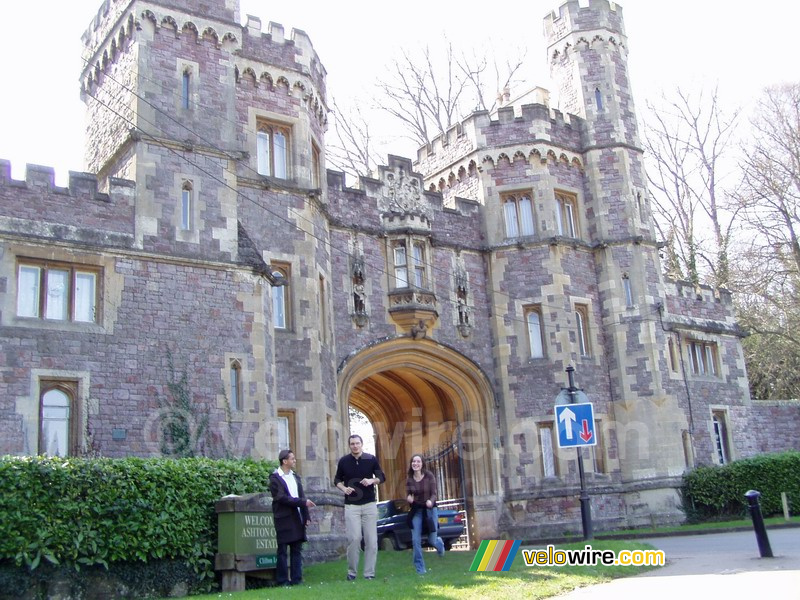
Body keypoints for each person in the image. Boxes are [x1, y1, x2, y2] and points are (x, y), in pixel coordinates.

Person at [334, 434, 386, 581]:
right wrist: (344, 489)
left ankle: (369, 574)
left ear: (361, 444)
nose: (355, 446)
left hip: (369, 504)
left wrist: (371, 480)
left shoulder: (371, 459)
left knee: (371, 540)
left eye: (357, 443)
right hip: (351, 506)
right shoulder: (344, 461)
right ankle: (352, 572)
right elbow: (337, 480)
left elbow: (382, 477)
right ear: (349, 445)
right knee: (354, 538)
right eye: (352, 444)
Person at [269, 449, 316, 586]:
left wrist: (306, 515)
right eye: (292, 459)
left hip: (297, 517)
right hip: (283, 517)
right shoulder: (275, 478)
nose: (294, 461)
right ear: (284, 461)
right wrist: (302, 503)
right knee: (282, 550)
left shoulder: (295, 476)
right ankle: (282, 580)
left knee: (297, 549)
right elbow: (282, 498)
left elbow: (301, 496)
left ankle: (297, 579)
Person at [406, 454, 445, 574]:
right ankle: (420, 569)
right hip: (416, 511)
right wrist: (409, 498)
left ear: (422, 463)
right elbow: (408, 494)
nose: (415, 464)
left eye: (418, 461)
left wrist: (430, 501)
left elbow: (434, 493)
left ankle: (439, 544)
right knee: (415, 540)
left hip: (430, 510)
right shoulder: (410, 479)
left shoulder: (429, 476)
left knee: (432, 540)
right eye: (413, 462)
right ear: (411, 464)